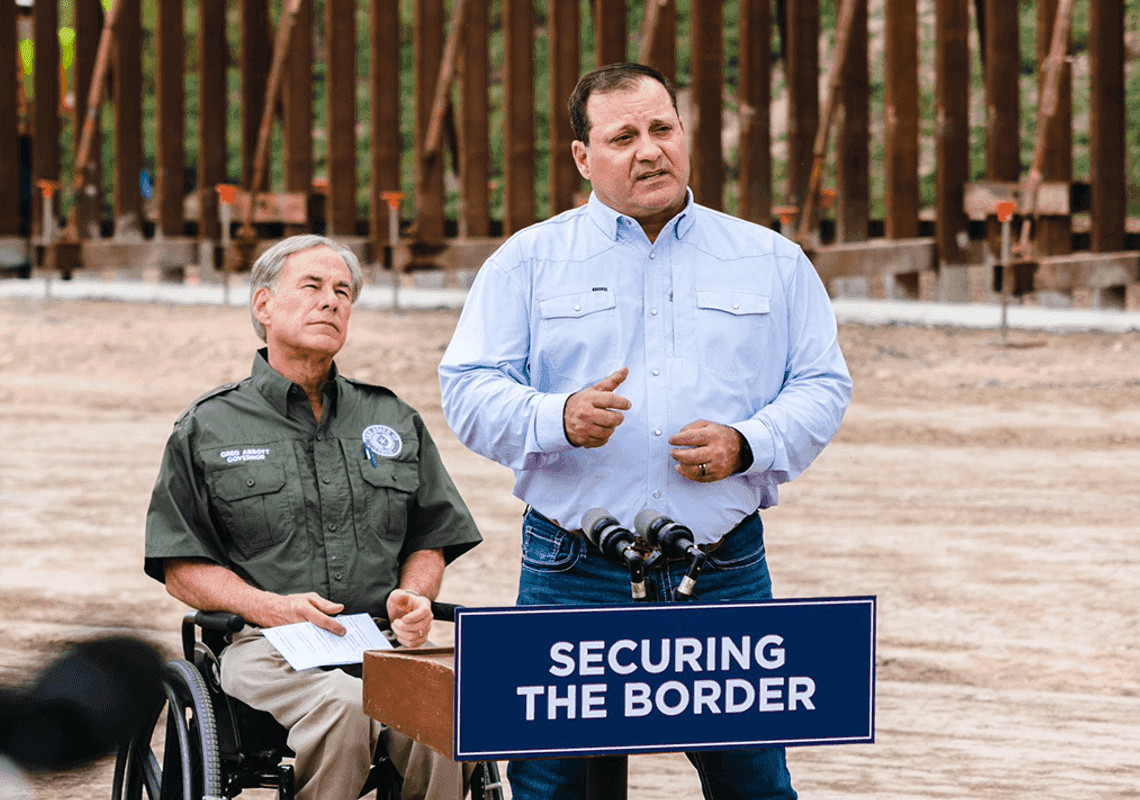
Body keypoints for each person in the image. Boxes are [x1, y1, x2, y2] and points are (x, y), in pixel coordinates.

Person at [438, 63, 852, 799]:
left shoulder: (772, 261)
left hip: (721, 567)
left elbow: (822, 386)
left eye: (662, 128)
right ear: (582, 157)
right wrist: (554, 416)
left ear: (685, 134)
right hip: (571, 568)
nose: (649, 150)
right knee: (546, 785)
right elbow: (466, 389)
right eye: (622, 136)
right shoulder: (529, 262)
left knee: (754, 782)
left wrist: (746, 443)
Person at [145, 234, 482, 800]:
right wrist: (272, 609)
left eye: (343, 291)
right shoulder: (209, 427)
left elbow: (430, 537)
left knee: (443, 710)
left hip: (379, 640)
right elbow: (181, 566)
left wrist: (415, 597)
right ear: (264, 305)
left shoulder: (392, 417)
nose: (332, 301)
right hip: (265, 646)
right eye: (313, 286)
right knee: (344, 708)